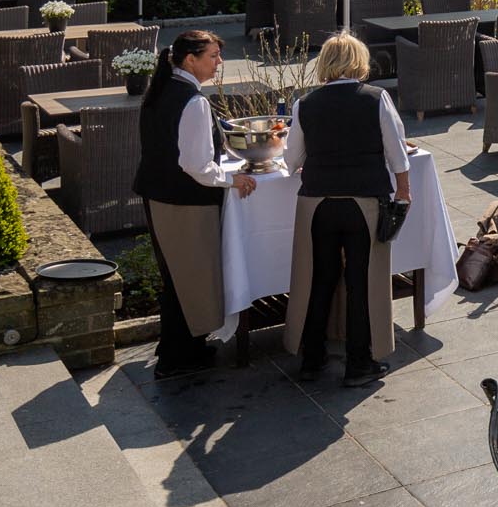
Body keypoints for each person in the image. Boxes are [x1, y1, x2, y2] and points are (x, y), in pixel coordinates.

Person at [283, 33, 412, 387]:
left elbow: (291, 160)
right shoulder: (376, 98)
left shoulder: (305, 104)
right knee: (363, 282)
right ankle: (359, 363)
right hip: (364, 201)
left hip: (318, 202)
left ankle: (312, 358)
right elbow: (397, 152)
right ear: (360, 61)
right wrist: (403, 191)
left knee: (318, 279)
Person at [134, 30, 257, 380]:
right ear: (190, 59)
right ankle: (177, 357)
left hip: (159, 194)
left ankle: (178, 348)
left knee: (176, 277)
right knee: (190, 277)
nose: (219, 63)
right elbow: (196, 165)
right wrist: (233, 179)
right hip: (184, 201)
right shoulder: (192, 101)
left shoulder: (161, 88)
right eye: (213, 56)